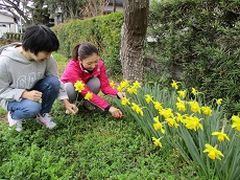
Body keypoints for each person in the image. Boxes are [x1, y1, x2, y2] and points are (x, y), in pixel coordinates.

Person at [0, 25, 78, 132]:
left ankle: (42, 115)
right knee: (33, 107)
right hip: (11, 97)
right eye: (46, 53)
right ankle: (15, 115)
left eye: (50, 53)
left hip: (32, 89)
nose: (48, 56)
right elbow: (2, 91)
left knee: (53, 82)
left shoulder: (47, 59)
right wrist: (24, 94)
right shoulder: (4, 62)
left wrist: (66, 102)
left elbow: (55, 80)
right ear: (32, 48)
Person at [61, 42, 124, 119]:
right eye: (89, 63)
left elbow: (105, 86)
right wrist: (109, 107)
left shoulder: (100, 65)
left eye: (95, 61)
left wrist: (117, 93)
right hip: (70, 92)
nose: (93, 66)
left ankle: (86, 102)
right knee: (68, 87)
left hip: (84, 90)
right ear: (80, 60)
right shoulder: (72, 69)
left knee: (96, 82)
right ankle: (70, 104)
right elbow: (86, 92)